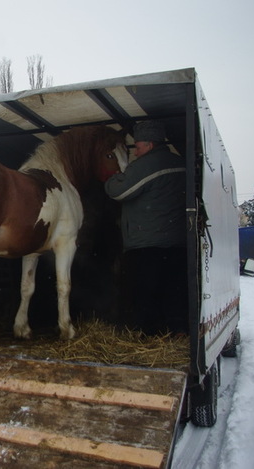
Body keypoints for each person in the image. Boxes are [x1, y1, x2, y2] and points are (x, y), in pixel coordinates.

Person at [104, 120, 188, 334]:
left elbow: (118, 191)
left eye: (138, 147)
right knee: (173, 291)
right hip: (177, 243)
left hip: (147, 245)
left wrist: (113, 177)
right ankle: (176, 331)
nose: (137, 153)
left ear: (150, 145)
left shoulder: (148, 164)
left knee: (144, 293)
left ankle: (148, 334)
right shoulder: (179, 163)